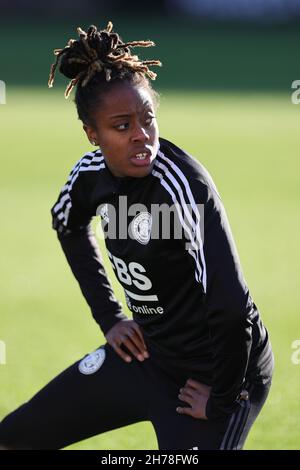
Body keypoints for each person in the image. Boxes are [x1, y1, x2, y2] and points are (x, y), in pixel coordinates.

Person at [0, 21, 274, 450]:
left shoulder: (184, 187)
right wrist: (109, 317)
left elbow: (231, 307)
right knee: (14, 439)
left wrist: (224, 397)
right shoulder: (90, 176)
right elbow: (68, 226)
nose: (141, 136)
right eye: (122, 126)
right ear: (93, 135)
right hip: (148, 357)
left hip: (216, 374)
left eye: (148, 119)